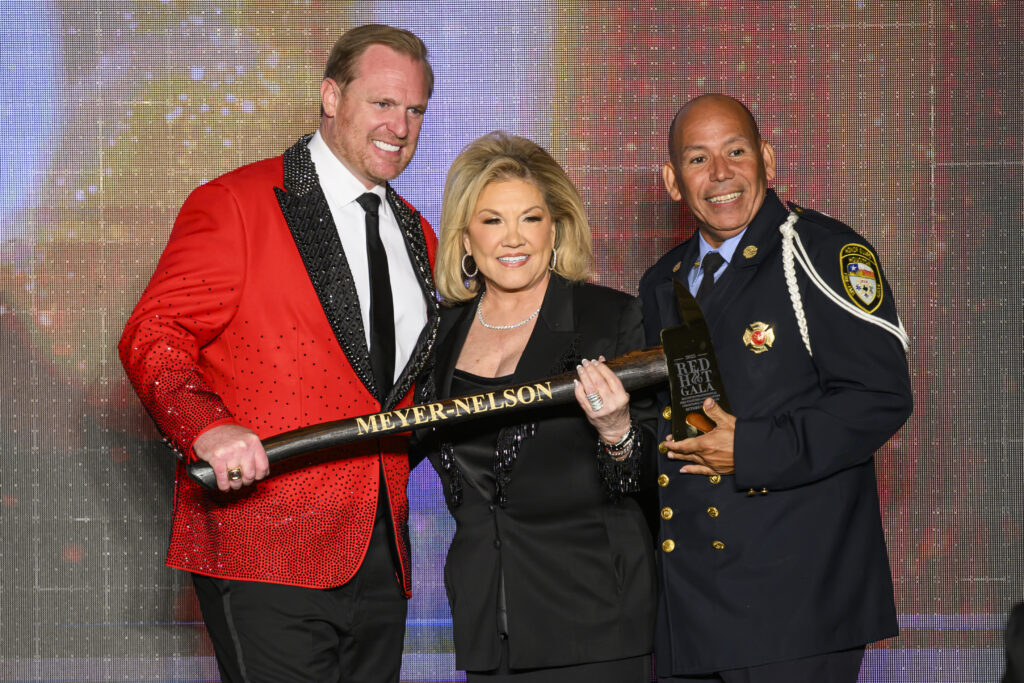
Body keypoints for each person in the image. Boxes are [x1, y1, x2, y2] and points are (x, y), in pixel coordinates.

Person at [118, 24, 437, 683]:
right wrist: (207, 425)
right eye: (382, 103)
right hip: (266, 541)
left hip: (382, 555)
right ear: (330, 96)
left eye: (414, 110)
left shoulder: (420, 234)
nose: (400, 126)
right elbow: (155, 333)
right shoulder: (234, 203)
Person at [638, 93, 913, 682]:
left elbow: (880, 398)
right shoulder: (661, 281)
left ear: (766, 157)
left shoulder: (823, 251)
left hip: (796, 611)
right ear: (671, 180)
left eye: (736, 151)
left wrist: (752, 449)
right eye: (697, 159)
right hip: (690, 614)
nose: (720, 174)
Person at [413, 131, 657, 682]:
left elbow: (661, 472)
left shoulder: (610, 319)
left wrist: (617, 431)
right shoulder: (437, 337)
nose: (512, 239)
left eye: (530, 218)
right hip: (485, 626)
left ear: (556, 227)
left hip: (595, 617)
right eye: (492, 220)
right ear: (466, 238)